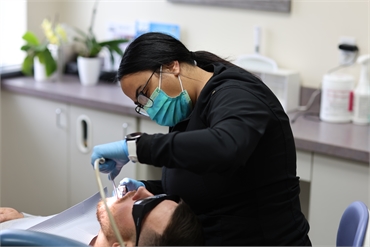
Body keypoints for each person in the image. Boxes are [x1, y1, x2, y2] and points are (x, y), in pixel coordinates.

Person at [91, 32, 312, 246]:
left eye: (144, 93)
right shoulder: (187, 108)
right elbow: (206, 180)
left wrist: (136, 147)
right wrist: (152, 189)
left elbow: (224, 147)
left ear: (172, 66)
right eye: (141, 104)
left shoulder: (238, 94)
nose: (148, 106)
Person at [0, 186, 204, 246]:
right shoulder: (99, 229)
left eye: (143, 205)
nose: (141, 190)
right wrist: (22, 219)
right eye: (157, 196)